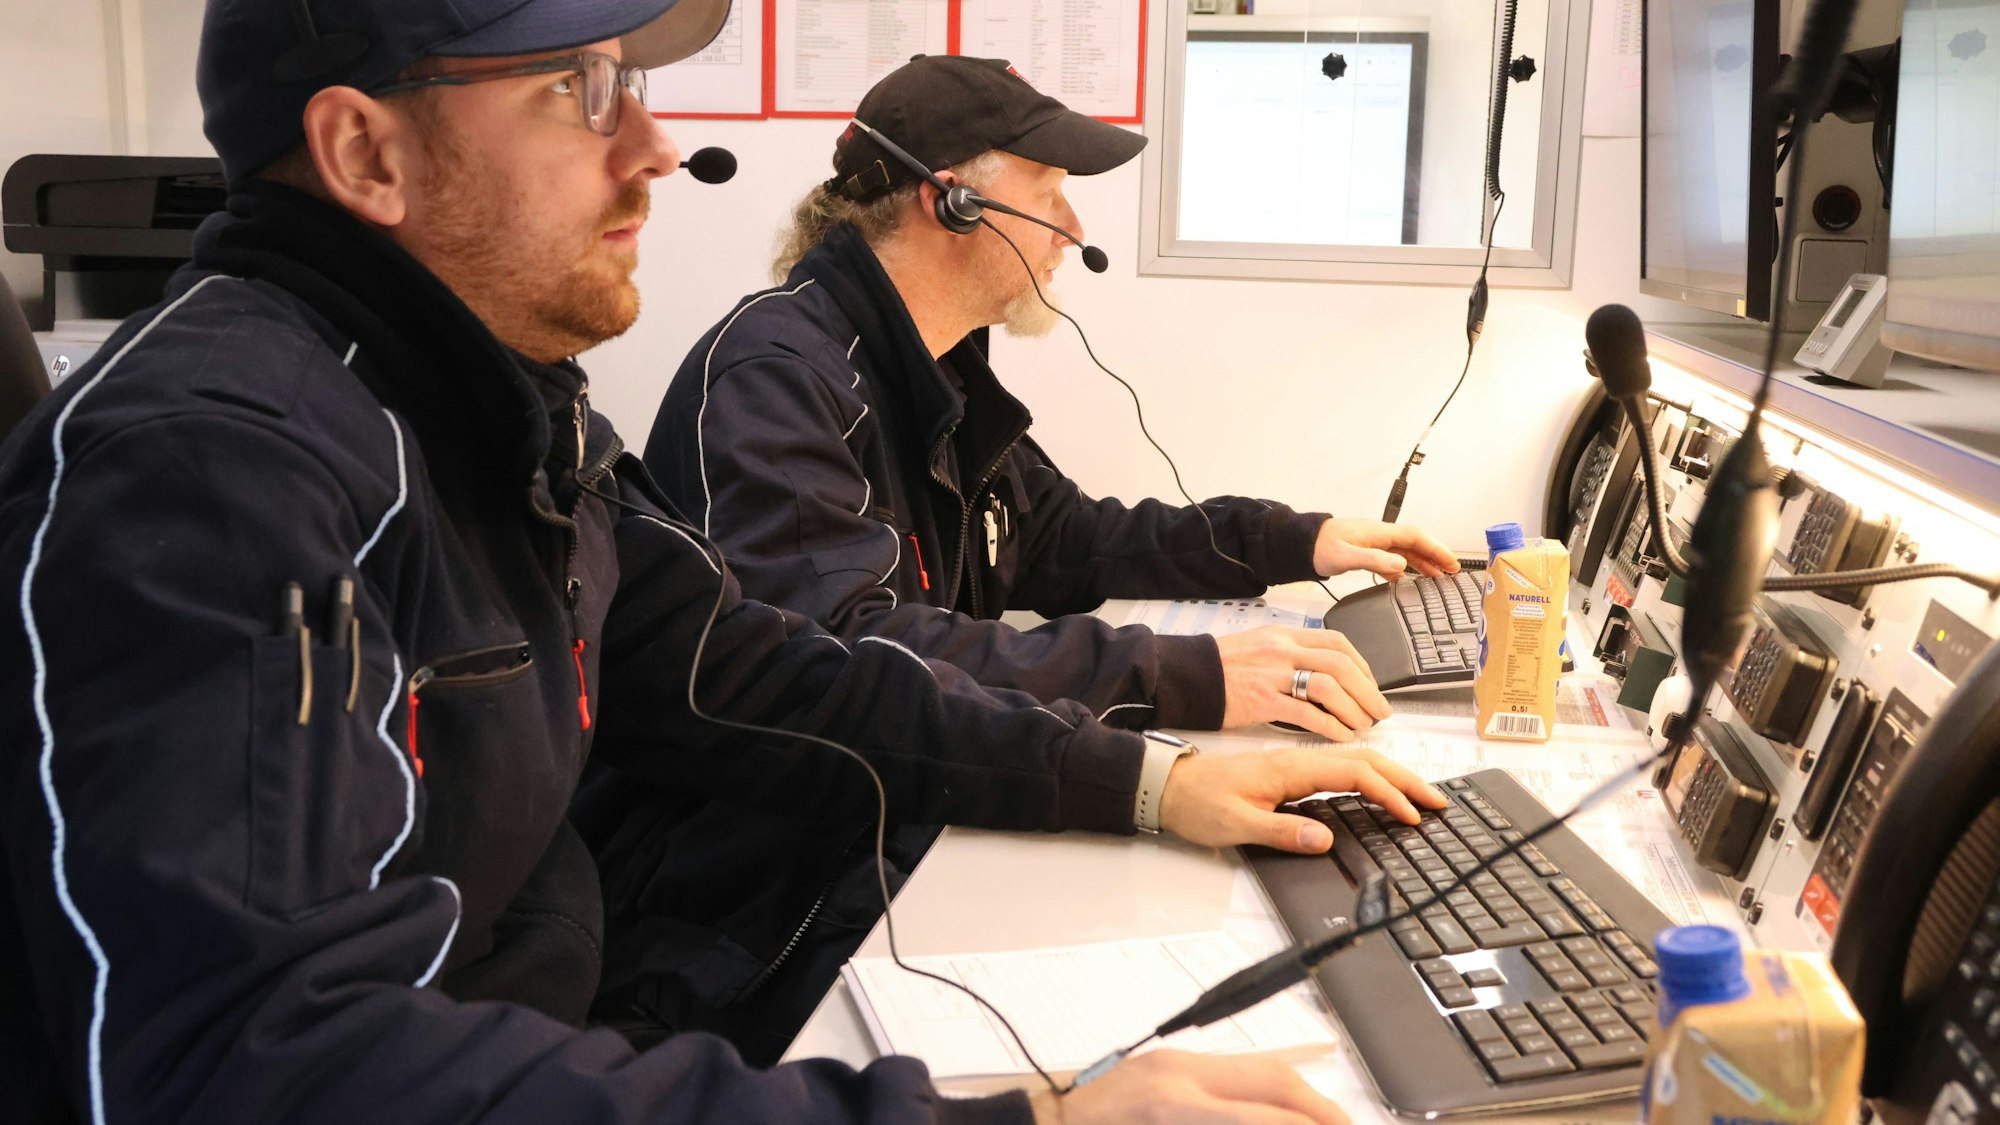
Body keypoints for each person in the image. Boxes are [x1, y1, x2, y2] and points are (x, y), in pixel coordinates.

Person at [0, 1, 1447, 1122]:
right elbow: (275, 1069)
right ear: (365, 153)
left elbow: (747, 662)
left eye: (630, 81)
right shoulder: (211, 468)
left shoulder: (508, 404)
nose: (648, 149)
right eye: (578, 91)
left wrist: (1148, 777)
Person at [646, 54, 1461, 749]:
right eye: (1049, 194)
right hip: (778, 877)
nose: (1072, 231)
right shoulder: (775, 378)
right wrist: (1182, 676)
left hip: (897, 804)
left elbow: (1071, 540)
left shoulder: (936, 372)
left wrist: (1297, 539)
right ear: (954, 203)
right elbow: (849, 652)